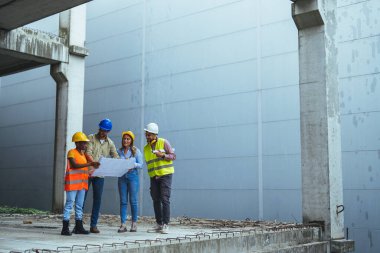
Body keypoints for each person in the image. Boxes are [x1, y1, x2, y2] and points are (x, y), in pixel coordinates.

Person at [61, 132, 100, 236]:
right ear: (77, 143)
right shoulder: (71, 152)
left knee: (79, 206)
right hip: (72, 184)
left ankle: (79, 227)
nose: (85, 145)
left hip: (82, 184)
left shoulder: (84, 155)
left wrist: (95, 165)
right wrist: (90, 164)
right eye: (83, 143)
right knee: (69, 204)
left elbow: (91, 163)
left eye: (85, 143)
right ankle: (65, 228)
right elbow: (74, 165)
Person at [85, 118, 119, 233]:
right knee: (81, 199)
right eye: (101, 130)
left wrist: (123, 164)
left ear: (108, 131)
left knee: (97, 200)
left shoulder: (110, 143)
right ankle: (78, 224)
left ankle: (93, 225)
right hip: (88, 173)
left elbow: (116, 157)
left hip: (100, 175)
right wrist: (93, 164)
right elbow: (87, 153)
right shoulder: (90, 138)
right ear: (99, 128)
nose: (102, 132)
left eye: (105, 131)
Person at [143, 123, 176, 234]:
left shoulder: (163, 142)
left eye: (149, 135)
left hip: (165, 175)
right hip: (154, 177)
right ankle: (159, 224)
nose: (147, 137)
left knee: (164, 199)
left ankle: (166, 224)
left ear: (154, 134)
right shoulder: (146, 148)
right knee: (156, 200)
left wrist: (162, 155)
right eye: (146, 134)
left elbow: (173, 156)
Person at [117, 130, 143, 233]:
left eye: (128, 139)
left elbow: (141, 165)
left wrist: (133, 164)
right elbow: (116, 163)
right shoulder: (119, 151)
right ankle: (123, 224)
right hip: (122, 177)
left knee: (133, 201)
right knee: (123, 201)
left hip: (133, 177)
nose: (126, 140)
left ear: (131, 140)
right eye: (124, 138)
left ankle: (134, 224)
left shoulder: (136, 151)